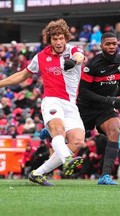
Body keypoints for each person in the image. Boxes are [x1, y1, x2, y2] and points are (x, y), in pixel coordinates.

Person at [0, 19, 86, 186]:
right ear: (50, 40)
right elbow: (22, 75)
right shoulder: (40, 57)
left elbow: (80, 57)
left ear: (66, 38)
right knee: (58, 130)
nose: (59, 42)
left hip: (70, 104)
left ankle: (37, 173)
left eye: (61, 38)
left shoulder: (73, 50)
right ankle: (67, 159)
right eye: (55, 39)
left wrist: (73, 61)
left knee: (77, 141)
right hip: (51, 100)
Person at [77, 32, 120, 185]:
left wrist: (117, 98)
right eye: (108, 44)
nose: (112, 47)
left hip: (105, 108)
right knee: (74, 141)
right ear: (101, 46)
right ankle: (52, 132)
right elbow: (84, 92)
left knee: (115, 130)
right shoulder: (92, 65)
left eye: (114, 43)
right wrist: (109, 100)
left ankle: (105, 176)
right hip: (86, 107)